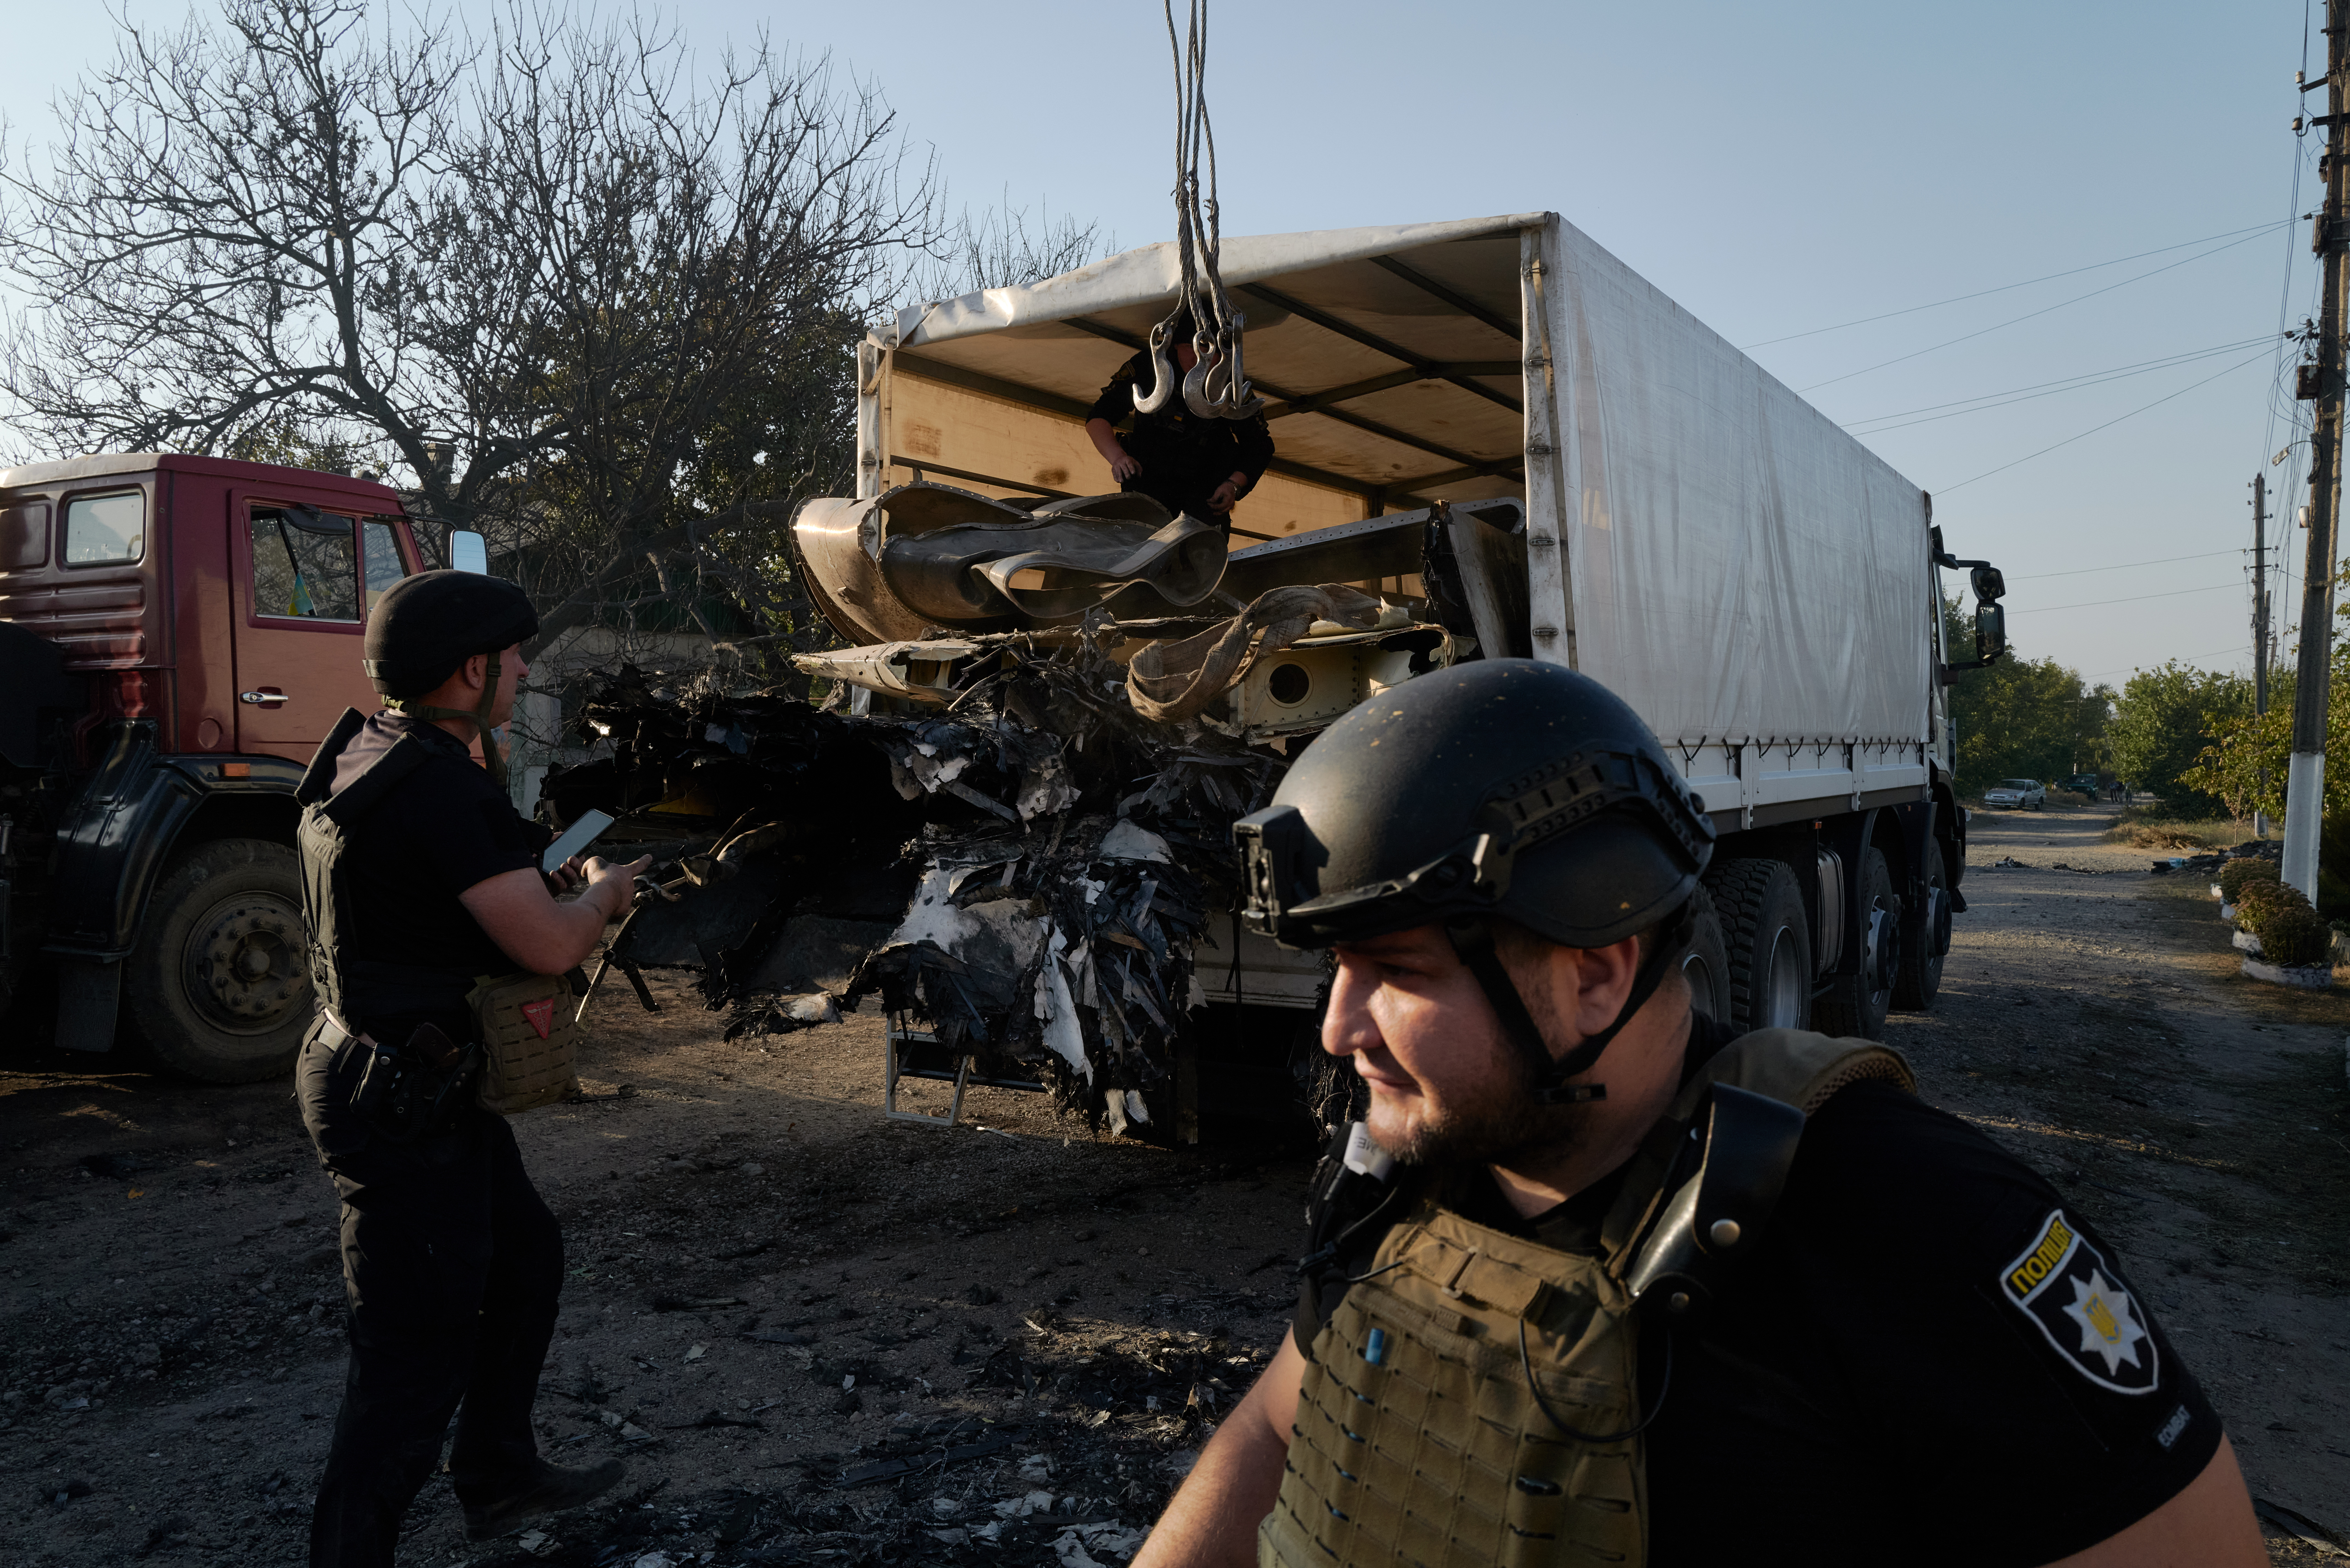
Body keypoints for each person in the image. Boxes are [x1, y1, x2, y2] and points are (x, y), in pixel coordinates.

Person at [1138, 659, 2264, 1568]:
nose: (1339, 1028)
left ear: (1594, 971)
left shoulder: (1913, 1221)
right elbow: (1283, 1419)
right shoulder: (1413, 1165)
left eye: (1395, 970)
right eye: (1335, 970)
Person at [294, 569, 651, 1568]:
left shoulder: (381, 751)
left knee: (524, 1258)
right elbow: (544, 946)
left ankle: (496, 1474)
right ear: (470, 670)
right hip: (399, 1097)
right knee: (409, 1356)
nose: (527, 667)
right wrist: (603, 898)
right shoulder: (443, 785)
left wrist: (550, 870)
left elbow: (453, 880)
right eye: (514, 655)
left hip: (409, 1082)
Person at [1084, 308, 1274, 529]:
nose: (1199, 360)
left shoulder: (1230, 383)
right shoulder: (1151, 365)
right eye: (1190, 349)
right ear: (1175, 345)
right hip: (1147, 492)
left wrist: (1233, 485)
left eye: (1208, 352)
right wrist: (1118, 458)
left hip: (1203, 501)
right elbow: (1099, 417)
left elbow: (1260, 447)